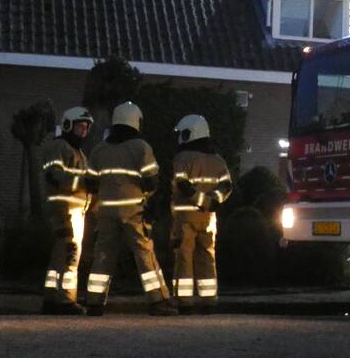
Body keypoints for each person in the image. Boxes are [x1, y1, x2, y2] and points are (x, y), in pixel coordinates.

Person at [84, 102, 177, 317]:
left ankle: (95, 302)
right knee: (144, 255)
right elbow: (151, 181)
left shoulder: (99, 149)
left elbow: (90, 182)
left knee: (103, 255)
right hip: (133, 212)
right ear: (135, 121)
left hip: (106, 213)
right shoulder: (141, 147)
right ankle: (158, 301)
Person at [170, 115, 233, 313]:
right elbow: (227, 186)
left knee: (184, 258)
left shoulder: (181, 158)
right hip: (208, 219)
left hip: (185, 218)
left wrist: (200, 201)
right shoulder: (218, 160)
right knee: (207, 256)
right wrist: (212, 201)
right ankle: (208, 301)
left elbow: (182, 185)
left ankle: (184, 302)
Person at [40, 106, 94, 315]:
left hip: (75, 210)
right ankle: (65, 300)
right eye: (80, 127)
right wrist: (86, 182)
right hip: (63, 209)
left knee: (60, 256)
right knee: (70, 254)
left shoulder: (78, 152)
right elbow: (55, 176)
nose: (84, 132)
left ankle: (52, 298)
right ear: (68, 125)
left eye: (86, 128)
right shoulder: (59, 148)